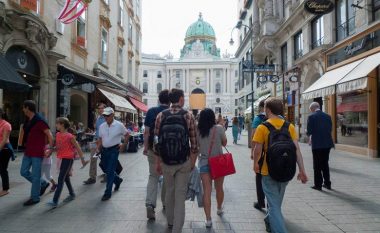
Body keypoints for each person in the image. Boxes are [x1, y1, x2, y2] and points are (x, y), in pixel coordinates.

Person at [253, 98, 308, 233]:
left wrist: (255, 164)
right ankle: (269, 220)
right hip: (286, 170)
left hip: (267, 171)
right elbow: (296, 150)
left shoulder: (262, 127)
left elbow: (257, 150)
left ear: (268, 110)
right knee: (275, 204)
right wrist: (302, 170)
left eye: (265, 108)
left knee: (274, 205)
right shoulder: (289, 126)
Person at [154, 88, 198, 232]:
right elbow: (194, 142)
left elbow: (156, 141)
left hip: (166, 161)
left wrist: (158, 161)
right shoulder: (188, 115)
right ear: (180, 99)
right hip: (183, 161)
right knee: (180, 194)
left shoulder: (161, 115)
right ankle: (177, 228)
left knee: (169, 192)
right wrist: (192, 161)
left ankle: (171, 222)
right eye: (183, 97)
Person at [197, 108, 227, 228]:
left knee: (207, 192)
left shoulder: (198, 130)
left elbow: (197, 146)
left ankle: (208, 219)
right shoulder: (219, 128)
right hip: (218, 162)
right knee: (219, 188)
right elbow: (225, 143)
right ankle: (219, 208)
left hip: (204, 162)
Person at [47, 117, 87, 208]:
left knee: (61, 179)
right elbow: (58, 147)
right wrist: (50, 150)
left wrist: (83, 159)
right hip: (61, 158)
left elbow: (77, 147)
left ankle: (55, 200)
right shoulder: (57, 134)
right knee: (66, 178)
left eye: (57, 123)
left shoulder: (70, 136)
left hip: (68, 159)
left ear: (62, 125)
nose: (56, 125)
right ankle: (72, 194)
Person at [20, 100, 54, 206]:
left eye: (24, 107)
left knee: (35, 176)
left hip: (37, 152)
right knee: (23, 172)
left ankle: (35, 198)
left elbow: (49, 135)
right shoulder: (28, 120)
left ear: (28, 108)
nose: (23, 110)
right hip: (28, 151)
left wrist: (50, 149)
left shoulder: (40, 121)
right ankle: (43, 183)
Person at [143, 89, 170, 220]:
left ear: (159, 99)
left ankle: (150, 204)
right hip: (168, 151)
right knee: (166, 176)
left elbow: (147, 132)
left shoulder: (151, 111)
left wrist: (145, 147)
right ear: (170, 101)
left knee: (153, 176)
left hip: (153, 149)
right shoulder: (171, 112)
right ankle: (165, 202)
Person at [97, 107, 130, 201]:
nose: (105, 117)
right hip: (104, 150)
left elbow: (127, 134)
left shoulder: (119, 125)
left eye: (107, 115)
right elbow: (100, 138)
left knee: (110, 170)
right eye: (104, 115)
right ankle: (118, 180)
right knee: (105, 168)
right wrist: (98, 148)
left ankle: (107, 193)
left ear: (112, 115)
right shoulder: (102, 126)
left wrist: (124, 144)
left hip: (114, 150)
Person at [307, 102, 334, 191]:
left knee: (317, 165)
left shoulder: (311, 117)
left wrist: (308, 131)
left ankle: (318, 185)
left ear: (312, 109)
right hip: (327, 144)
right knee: (325, 164)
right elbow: (330, 129)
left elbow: (309, 131)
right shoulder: (328, 116)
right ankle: (327, 183)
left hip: (317, 144)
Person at [83, 102, 106, 185]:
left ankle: (107, 175)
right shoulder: (98, 118)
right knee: (93, 158)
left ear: (105, 109)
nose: (100, 110)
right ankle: (92, 177)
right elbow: (97, 130)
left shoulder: (107, 119)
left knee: (104, 159)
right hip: (96, 140)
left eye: (102, 108)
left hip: (103, 142)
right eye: (99, 108)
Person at [251, 99, 267, 211]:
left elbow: (254, 137)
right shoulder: (281, 119)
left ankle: (261, 202)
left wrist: (252, 152)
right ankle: (272, 204)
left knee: (260, 176)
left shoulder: (258, 119)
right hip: (277, 154)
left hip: (262, 152)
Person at [0, 108, 14, 197]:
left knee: (2, 169)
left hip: (4, 149)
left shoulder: (6, 125)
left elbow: (4, 140)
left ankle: (5, 189)